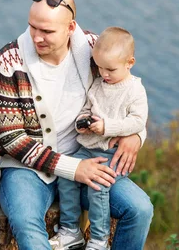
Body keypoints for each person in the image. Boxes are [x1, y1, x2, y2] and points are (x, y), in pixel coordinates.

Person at [0, 0, 153, 250]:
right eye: (33, 27)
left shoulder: (93, 48)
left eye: (47, 31)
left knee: (139, 209)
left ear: (70, 28)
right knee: (26, 224)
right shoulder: (9, 60)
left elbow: (127, 92)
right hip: (28, 169)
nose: (37, 38)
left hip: (86, 157)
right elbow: (12, 139)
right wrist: (72, 168)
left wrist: (136, 135)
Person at [55, 27, 148, 250]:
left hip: (110, 154)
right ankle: (69, 229)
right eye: (99, 67)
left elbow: (137, 121)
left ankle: (99, 239)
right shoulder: (98, 85)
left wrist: (107, 127)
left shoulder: (134, 89)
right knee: (66, 176)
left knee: (98, 186)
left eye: (110, 69)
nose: (103, 73)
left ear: (130, 62)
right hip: (86, 149)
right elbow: (86, 109)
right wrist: (83, 122)